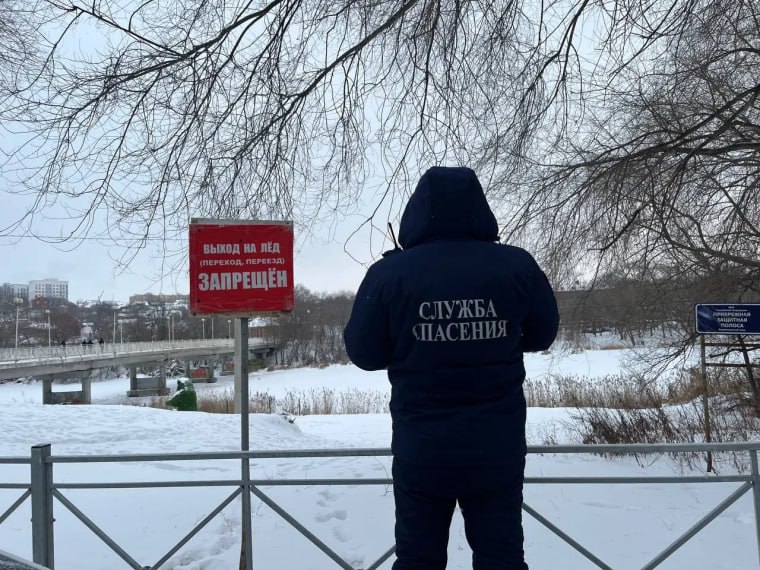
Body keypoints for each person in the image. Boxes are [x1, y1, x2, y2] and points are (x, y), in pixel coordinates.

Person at [343, 166, 559, 570]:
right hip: (497, 447)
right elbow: (542, 334)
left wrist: (413, 339)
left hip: (422, 448)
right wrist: (497, 336)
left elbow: (364, 354)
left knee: (417, 559)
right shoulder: (516, 266)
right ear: (479, 209)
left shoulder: (389, 274)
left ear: (417, 212)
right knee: (502, 559)